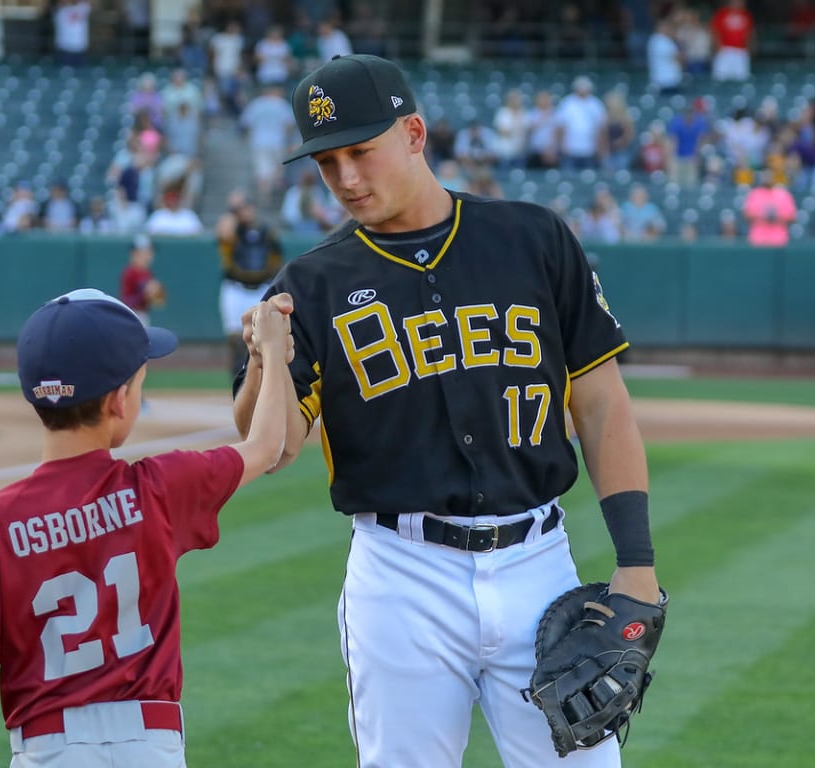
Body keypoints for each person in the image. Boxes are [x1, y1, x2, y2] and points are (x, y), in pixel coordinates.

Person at [230, 54, 666, 768]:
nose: (344, 179)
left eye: (360, 152)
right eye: (326, 162)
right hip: (402, 577)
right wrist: (264, 360)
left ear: (414, 133)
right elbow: (268, 449)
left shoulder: (532, 238)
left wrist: (637, 563)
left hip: (538, 564)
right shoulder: (310, 284)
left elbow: (601, 403)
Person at [0, 287, 293, 768]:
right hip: (150, 749)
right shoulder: (157, 488)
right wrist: (271, 355)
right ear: (118, 401)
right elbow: (266, 446)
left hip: (48, 752)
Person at [216, 191, 283, 376]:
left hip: (260, 289)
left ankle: (260, 383)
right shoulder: (234, 231)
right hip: (236, 289)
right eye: (241, 208)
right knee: (236, 340)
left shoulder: (266, 232)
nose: (246, 212)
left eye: (247, 207)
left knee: (260, 339)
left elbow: (277, 259)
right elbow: (224, 231)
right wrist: (233, 211)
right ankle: (238, 383)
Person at [119, 234, 166, 325]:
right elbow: (126, 301)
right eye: (147, 251)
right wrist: (145, 293)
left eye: (151, 251)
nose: (150, 255)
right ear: (135, 253)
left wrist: (152, 295)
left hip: (142, 316)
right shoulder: (130, 272)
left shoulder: (147, 273)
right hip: (131, 315)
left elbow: (156, 302)